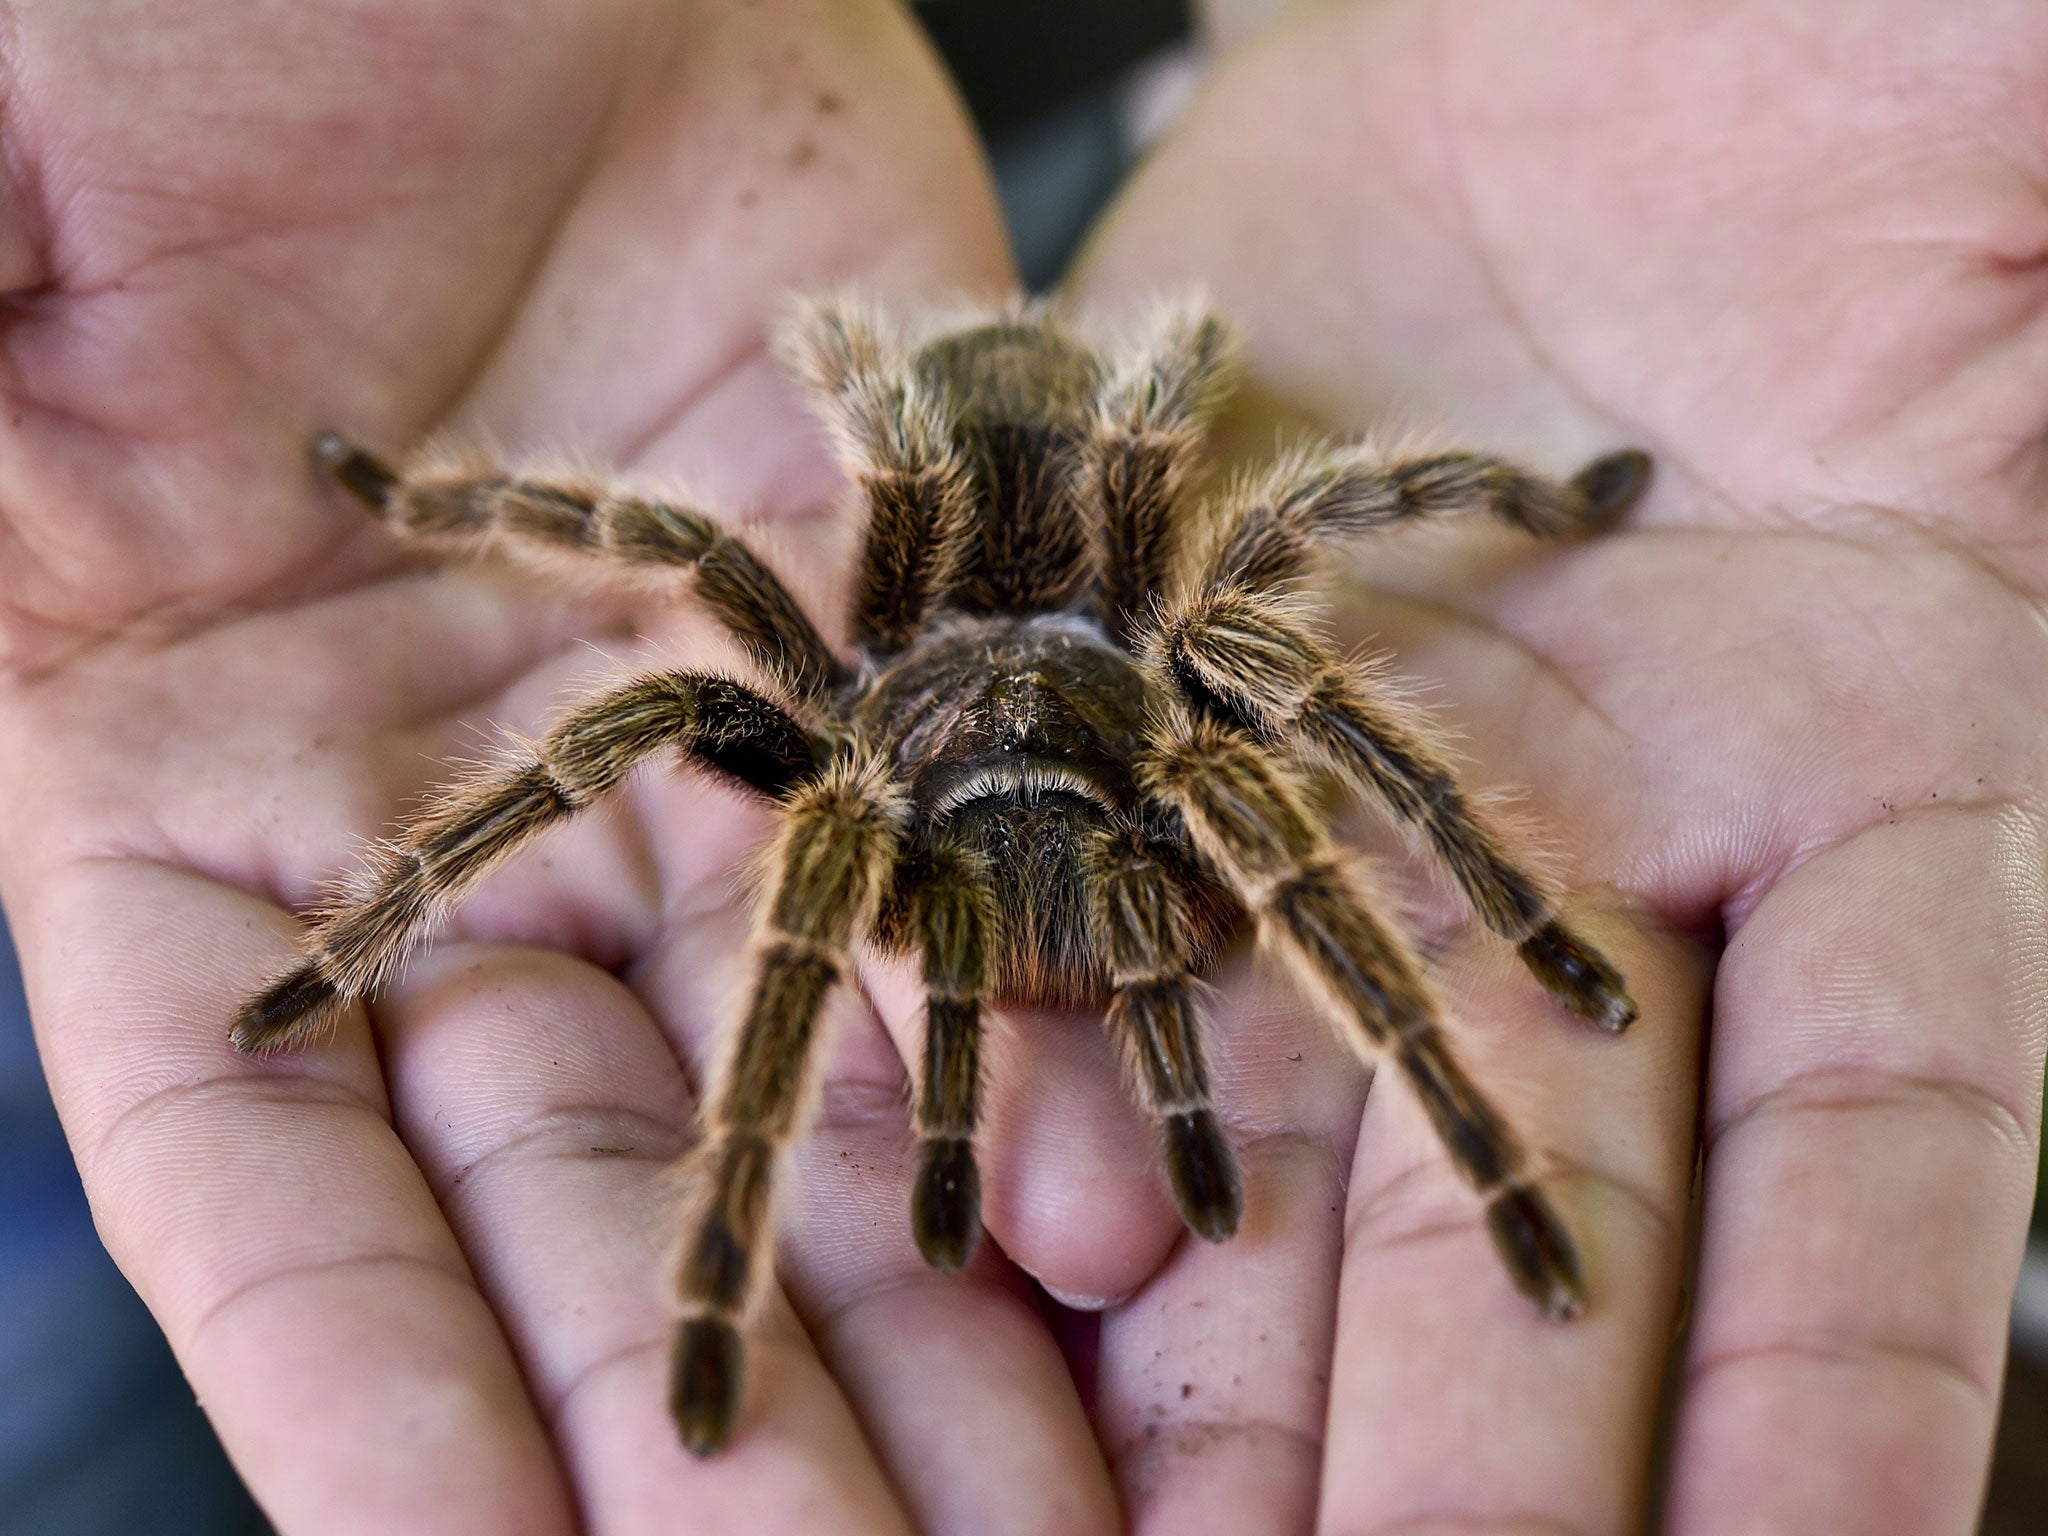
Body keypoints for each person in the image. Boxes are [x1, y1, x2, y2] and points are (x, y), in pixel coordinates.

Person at [0, 1, 2037, 1530]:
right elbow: (678, 567)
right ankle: (657, 1249)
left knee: (1270, 568)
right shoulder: (840, 769)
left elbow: (1323, 522)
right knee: (676, 614)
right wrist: (368, 882)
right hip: (925, 628)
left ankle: (1488, 1135)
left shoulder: (1192, 671)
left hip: (1090, 597)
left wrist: (1513, 922)